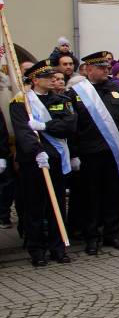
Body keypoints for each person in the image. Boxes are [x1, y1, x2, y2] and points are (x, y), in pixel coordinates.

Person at [67, 51, 119, 255]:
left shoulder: (116, 90)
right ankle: (92, 236)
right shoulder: (77, 93)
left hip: (113, 154)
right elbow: (73, 127)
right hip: (89, 154)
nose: (107, 71)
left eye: (108, 68)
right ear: (88, 69)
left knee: (112, 195)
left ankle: (111, 234)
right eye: (101, 68)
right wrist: (74, 153)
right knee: (91, 197)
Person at [11, 60, 76, 265]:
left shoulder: (62, 100)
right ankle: (36, 249)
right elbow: (23, 131)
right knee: (35, 207)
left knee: (57, 205)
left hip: (56, 159)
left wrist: (44, 126)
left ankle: (58, 247)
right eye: (48, 77)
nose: (52, 80)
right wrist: (37, 151)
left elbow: (68, 125)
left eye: (53, 77)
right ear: (36, 80)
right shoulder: (21, 102)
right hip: (35, 161)